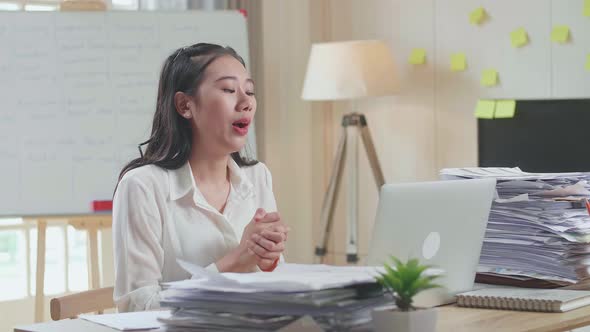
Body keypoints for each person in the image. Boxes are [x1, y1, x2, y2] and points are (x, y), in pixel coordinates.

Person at [112, 43, 289, 312]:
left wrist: (268, 262)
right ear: (185, 105)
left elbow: (278, 288)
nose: (246, 102)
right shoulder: (142, 186)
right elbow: (138, 308)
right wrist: (235, 262)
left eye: (249, 91)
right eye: (229, 90)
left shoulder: (258, 176)